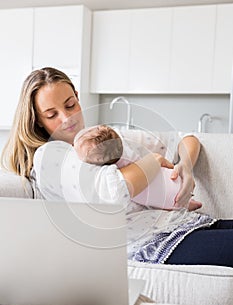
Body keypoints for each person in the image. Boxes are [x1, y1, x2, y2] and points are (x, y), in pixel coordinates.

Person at [1, 67, 233, 267]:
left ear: (78, 98)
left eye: (70, 105)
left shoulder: (106, 138)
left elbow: (187, 140)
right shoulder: (49, 158)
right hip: (151, 243)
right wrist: (151, 162)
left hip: (184, 223)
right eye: (52, 115)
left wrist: (186, 167)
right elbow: (113, 194)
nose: (66, 118)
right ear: (37, 121)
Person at [73, 124, 202, 211]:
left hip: (163, 187)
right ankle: (189, 204)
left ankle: (188, 204)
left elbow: (186, 138)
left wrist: (186, 164)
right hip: (168, 179)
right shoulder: (125, 153)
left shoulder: (118, 170)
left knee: (158, 198)